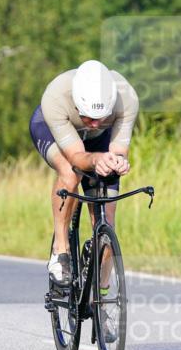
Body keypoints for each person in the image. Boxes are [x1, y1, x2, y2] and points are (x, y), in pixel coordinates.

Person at [28, 60, 139, 286]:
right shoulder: (56, 96)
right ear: (77, 105)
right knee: (71, 173)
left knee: (107, 221)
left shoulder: (126, 98)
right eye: (88, 117)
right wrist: (96, 159)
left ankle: (101, 291)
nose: (94, 124)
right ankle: (60, 249)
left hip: (99, 141)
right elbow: (77, 157)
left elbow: (118, 150)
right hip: (55, 131)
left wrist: (118, 162)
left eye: (101, 117)